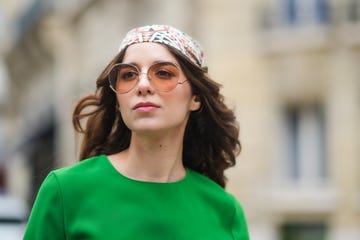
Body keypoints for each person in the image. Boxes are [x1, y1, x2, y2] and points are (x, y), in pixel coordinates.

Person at [23, 24, 249, 239]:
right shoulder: (66, 190)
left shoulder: (225, 210)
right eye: (128, 75)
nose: (142, 85)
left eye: (163, 73)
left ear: (195, 98)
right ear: (118, 99)